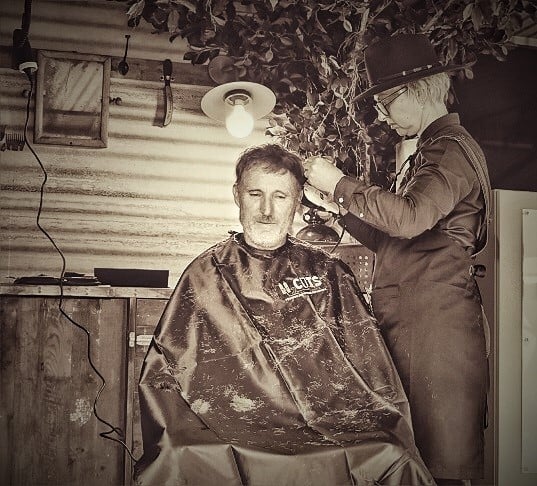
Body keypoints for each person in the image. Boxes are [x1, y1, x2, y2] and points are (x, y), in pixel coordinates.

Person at [134, 143, 434, 485]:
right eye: (255, 194)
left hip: (332, 418)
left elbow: (370, 368)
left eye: (280, 196)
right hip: (232, 421)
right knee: (179, 456)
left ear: (297, 199)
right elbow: (167, 373)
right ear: (237, 195)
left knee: (392, 454)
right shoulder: (205, 273)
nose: (266, 210)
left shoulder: (328, 272)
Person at [303, 33, 492, 485]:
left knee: (437, 467)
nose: (382, 116)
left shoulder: (449, 151)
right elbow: (396, 241)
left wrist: (340, 181)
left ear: (420, 90)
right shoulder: (430, 151)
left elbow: (406, 219)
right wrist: (338, 208)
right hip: (415, 327)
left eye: (387, 103)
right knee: (409, 465)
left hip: (435, 334)